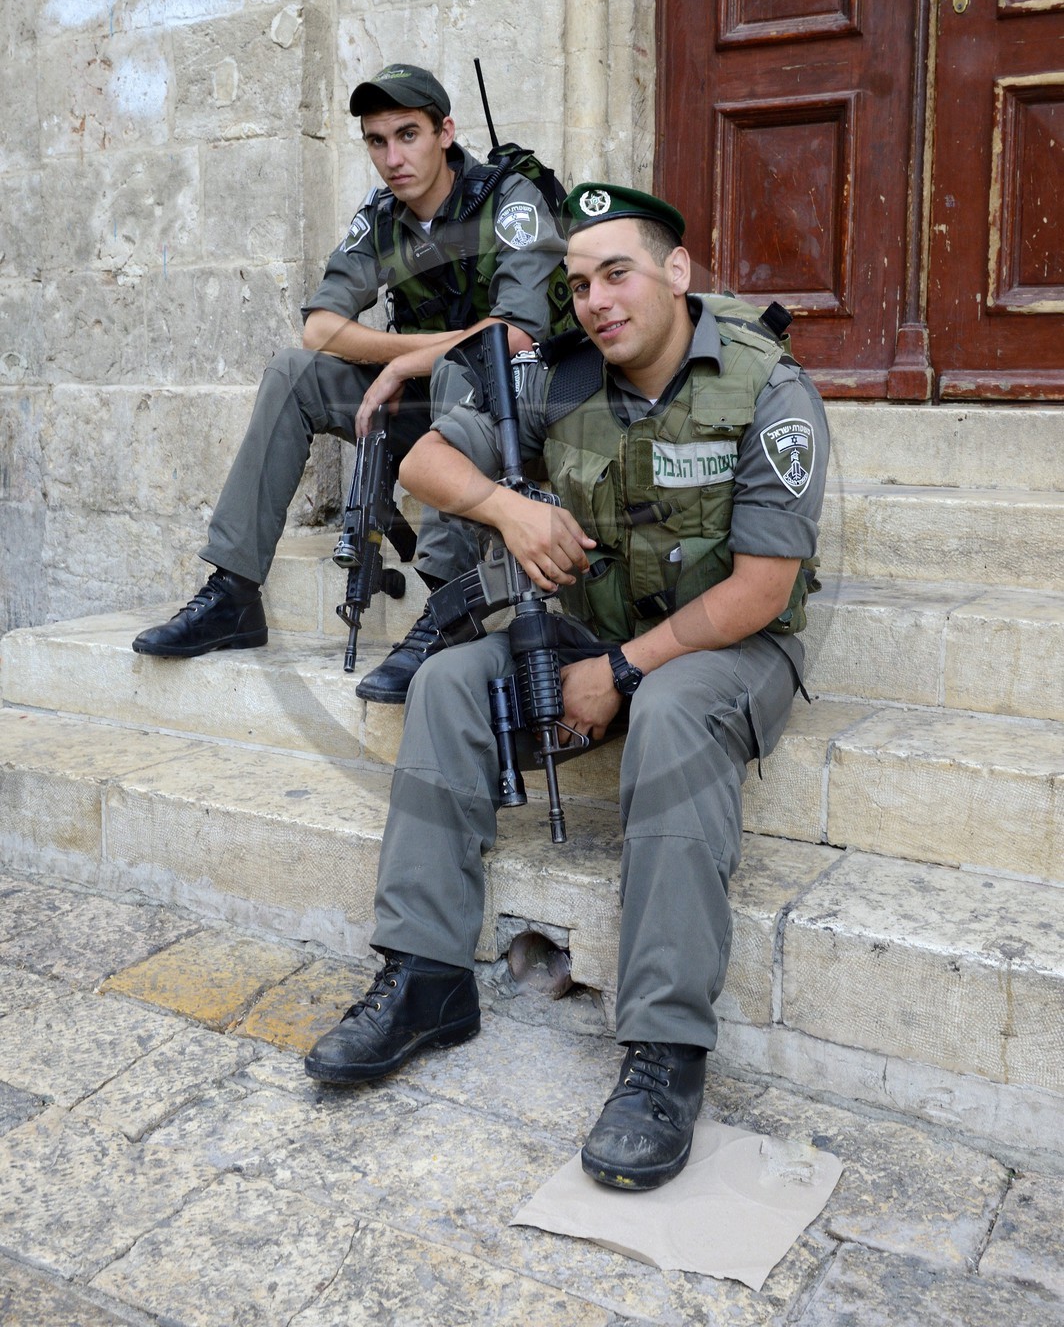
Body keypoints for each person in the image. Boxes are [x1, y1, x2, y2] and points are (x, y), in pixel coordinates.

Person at [304, 182, 830, 1193]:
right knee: (453, 679)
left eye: (615, 273)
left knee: (672, 709)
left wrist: (625, 671)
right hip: (595, 626)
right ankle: (424, 978)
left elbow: (761, 588)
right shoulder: (557, 376)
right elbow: (421, 457)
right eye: (578, 282)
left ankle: (662, 1054)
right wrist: (508, 508)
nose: (593, 299)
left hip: (729, 648)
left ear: (676, 272)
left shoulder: (765, 388)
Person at [132, 62, 567, 703]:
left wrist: (408, 363)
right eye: (376, 140)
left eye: (408, 135)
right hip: (426, 400)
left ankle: (445, 613)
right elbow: (321, 329)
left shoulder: (510, 201)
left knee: (457, 366)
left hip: (509, 410)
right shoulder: (383, 215)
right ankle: (233, 593)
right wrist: (411, 358)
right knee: (293, 371)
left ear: (445, 132)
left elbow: (516, 333)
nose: (393, 157)